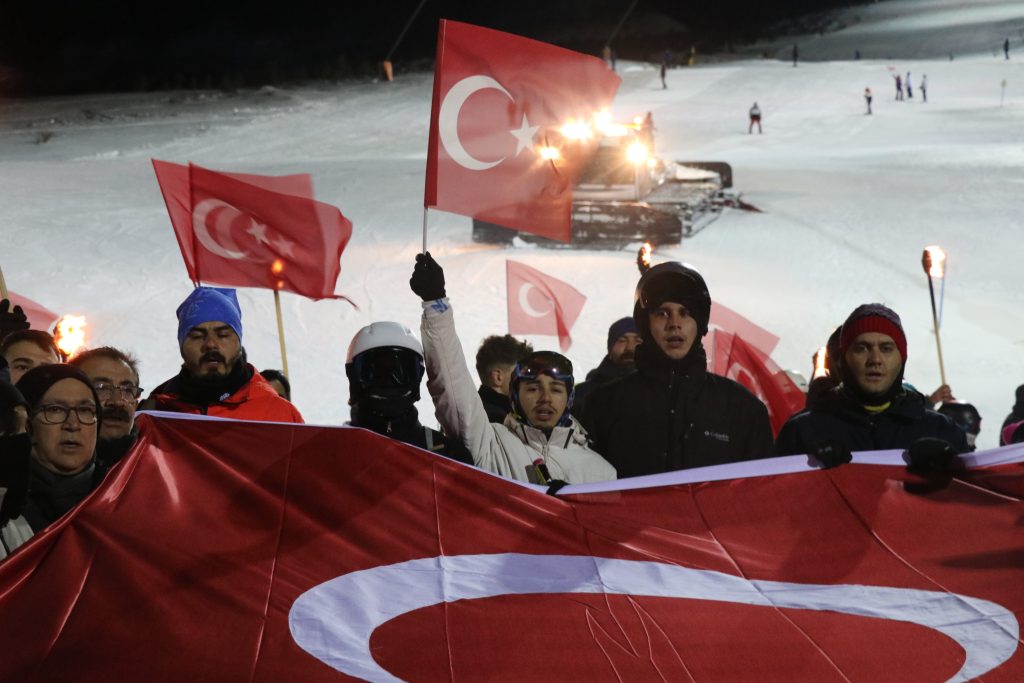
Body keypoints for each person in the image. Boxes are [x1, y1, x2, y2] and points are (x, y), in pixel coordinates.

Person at [411, 253, 615, 485]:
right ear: (516, 396)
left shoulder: (602, 473)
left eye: (557, 390)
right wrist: (436, 303)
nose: (545, 398)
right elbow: (452, 387)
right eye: (533, 389)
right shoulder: (492, 444)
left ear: (569, 399)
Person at [582, 262, 774, 478]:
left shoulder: (742, 409)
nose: (674, 324)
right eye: (662, 313)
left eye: (685, 312)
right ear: (645, 323)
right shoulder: (602, 405)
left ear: (700, 322)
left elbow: (765, 494)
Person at [776, 304, 968, 465]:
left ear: (902, 358)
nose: (875, 359)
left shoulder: (942, 431)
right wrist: (805, 470)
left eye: (886, 349)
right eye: (862, 348)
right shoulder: (802, 432)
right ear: (843, 359)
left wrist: (952, 472)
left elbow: (980, 500)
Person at [142, 287, 303, 423]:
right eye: (197, 336)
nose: (210, 344)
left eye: (223, 335)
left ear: (239, 342)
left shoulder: (279, 416)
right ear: (181, 345)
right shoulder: (157, 410)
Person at [2, 364, 100, 558]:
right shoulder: (6, 506)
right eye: (55, 409)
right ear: (27, 425)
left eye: (85, 410)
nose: (72, 424)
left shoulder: (124, 495)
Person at [345, 321, 471, 464]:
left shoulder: (450, 456)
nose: (389, 382)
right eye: (375, 372)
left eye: (402, 372)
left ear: (418, 376)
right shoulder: (332, 448)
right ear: (354, 376)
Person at [70, 346, 142, 480]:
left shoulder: (157, 469)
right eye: (101, 388)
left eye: (127, 390)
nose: (117, 401)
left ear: (136, 404)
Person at [572, 317, 641, 419]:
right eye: (622, 340)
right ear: (610, 349)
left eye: (638, 341)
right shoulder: (583, 394)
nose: (630, 348)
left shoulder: (659, 392)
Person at [475, 334, 533, 423]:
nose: (530, 380)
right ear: (498, 377)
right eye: (522, 373)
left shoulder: (473, 412)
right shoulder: (502, 422)